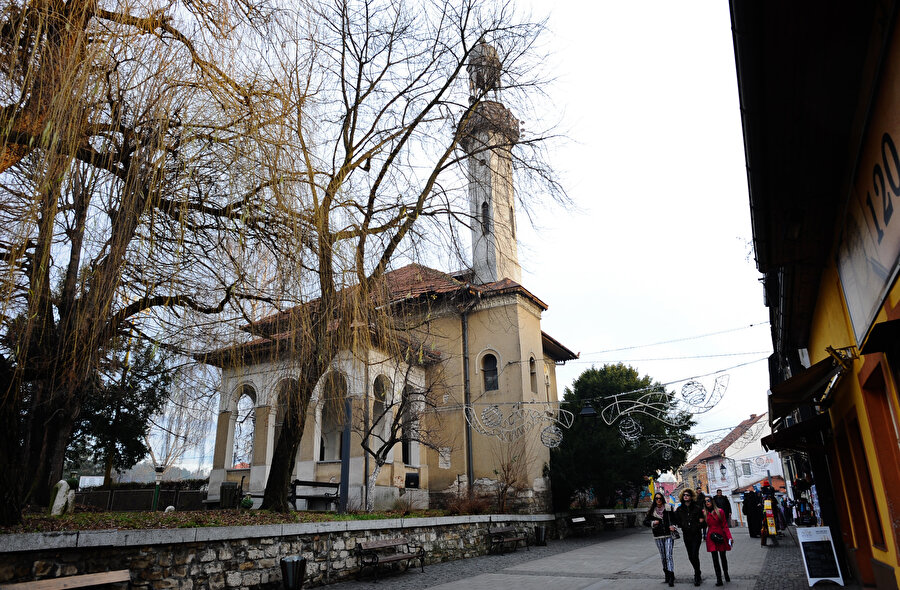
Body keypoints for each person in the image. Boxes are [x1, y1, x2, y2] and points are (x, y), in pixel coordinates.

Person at [644, 492, 677, 587]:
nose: (658, 500)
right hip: (658, 536)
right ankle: (666, 573)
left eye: (660, 498)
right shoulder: (652, 511)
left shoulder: (668, 508)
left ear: (662, 499)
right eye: (656, 498)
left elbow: (675, 519)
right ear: (655, 500)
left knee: (668, 555)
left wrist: (673, 526)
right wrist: (653, 522)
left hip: (668, 535)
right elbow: (645, 522)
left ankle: (671, 576)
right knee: (663, 556)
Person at [676, 488, 706, 586]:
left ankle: (697, 575)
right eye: (684, 495)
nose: (686, 496)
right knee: (690, 556)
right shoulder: (680, 509)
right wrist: (682, 525)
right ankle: (698, 571)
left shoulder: (697, 508)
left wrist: (698, 525)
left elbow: (703, 521)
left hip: (696, 534)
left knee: (694, 554)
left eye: (688, 495)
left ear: (691, 497)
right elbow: (675, 520)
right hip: (686, 535)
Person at [703, 495, 734, 586]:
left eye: (708, 500)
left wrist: (729, 537)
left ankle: (726, 573)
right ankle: (719, 578)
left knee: (723, 557)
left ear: (712, 501)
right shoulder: (704, 512)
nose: (707, 502)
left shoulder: (720, 511)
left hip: (720, 535)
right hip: (711, 536)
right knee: (715, 559)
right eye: (705, 501)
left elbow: (725, 525)